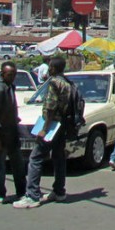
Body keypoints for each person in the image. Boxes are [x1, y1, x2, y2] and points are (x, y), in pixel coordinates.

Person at [14, 56, 70, 209]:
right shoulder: (67, 83)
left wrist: (44, 129)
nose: (48, 69)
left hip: (51, 126)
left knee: (36, 157)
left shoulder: (54, 83)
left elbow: (51, 107)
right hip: (62, 125)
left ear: (54, 68)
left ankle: (32, 196)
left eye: (50, 67)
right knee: (59, 158)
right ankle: (59, 191)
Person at [0, 61, 26, 204]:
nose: (12, 77)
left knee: (18, 164)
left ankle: (22, 191)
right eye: (9, 74)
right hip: (0, 135)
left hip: (12, 133)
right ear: (2, 74)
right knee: (0, 166)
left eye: (14, 74)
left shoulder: (11, 87)